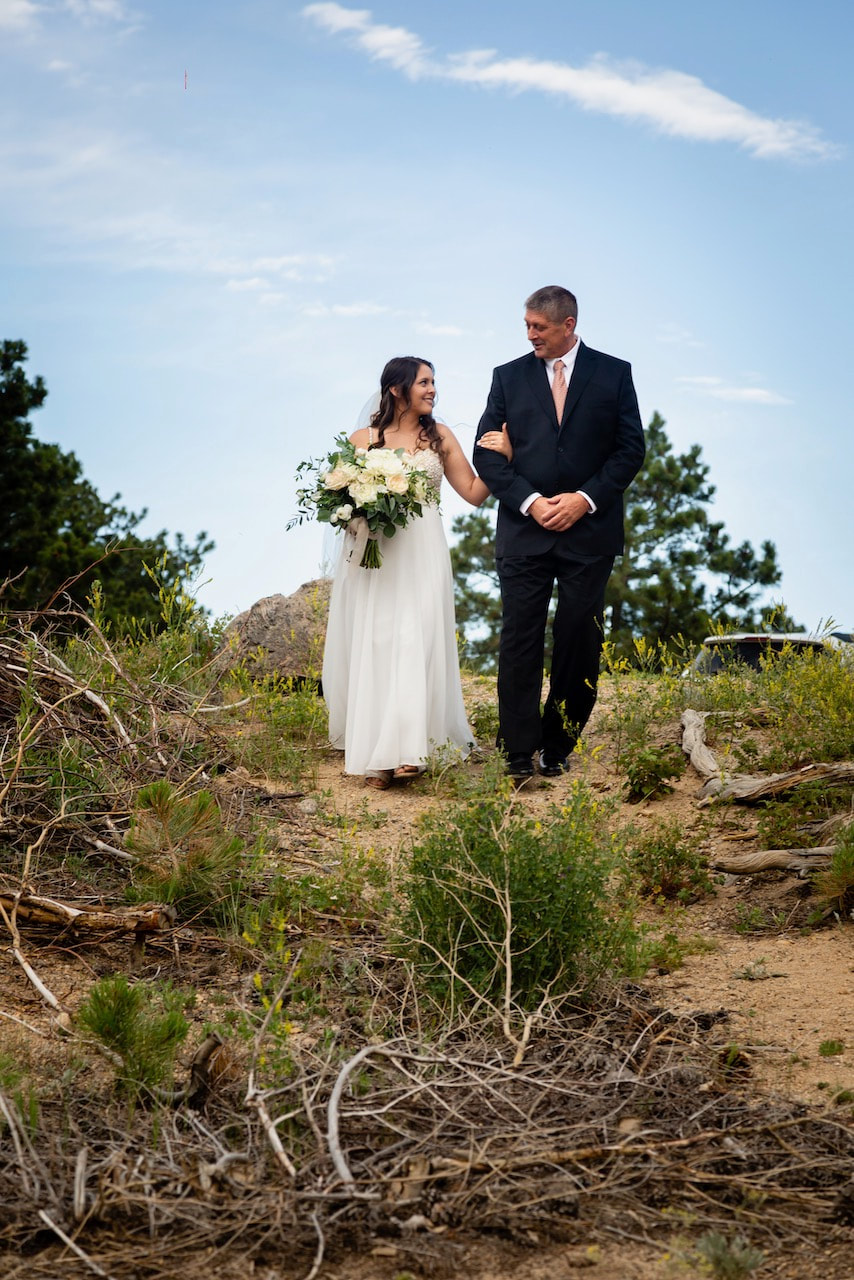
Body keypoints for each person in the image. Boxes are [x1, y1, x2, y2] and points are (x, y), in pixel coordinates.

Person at [473, 285, 645, 780]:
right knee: (520, 638)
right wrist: (530, 501)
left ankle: (558, 744)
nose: (530, 336)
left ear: (567, 324)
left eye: (539, 327)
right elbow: (486, 452)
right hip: (524, 533)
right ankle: (517, 753)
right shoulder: (507, 378)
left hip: (589, 534)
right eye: (526, 326)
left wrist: (583, 499)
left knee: (578, 638)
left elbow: (630, 451)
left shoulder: (615, 374)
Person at [322, 356, 510, 790]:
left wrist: (506, 457)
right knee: (380, 641)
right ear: (396, 389)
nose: (432, 389)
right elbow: (340, 502)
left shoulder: (439, 436)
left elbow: (474, 492)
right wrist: (358, 511)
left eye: (433, 382)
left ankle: (411, 750)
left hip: (423, 550)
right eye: (424, 382)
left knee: (416, 638)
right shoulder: (362, 440)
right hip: (376, 554)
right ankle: (376, 755)